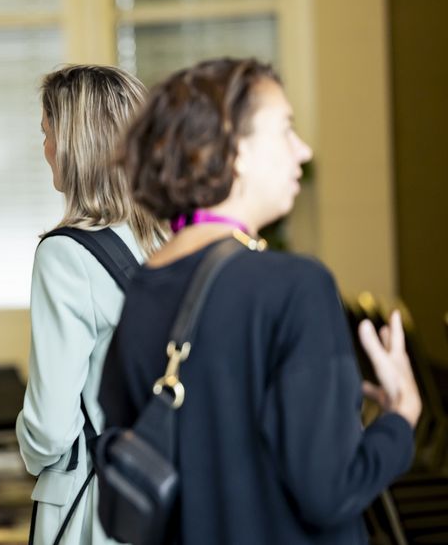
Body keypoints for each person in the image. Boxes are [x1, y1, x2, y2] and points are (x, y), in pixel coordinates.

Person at [100, 57, 420, 544]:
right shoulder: (296, 287)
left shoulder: (144, 287)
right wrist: (400, 418)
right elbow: (330, 491)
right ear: (235, 149)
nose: (303, 150)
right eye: (286, 130)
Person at [16, 65, 167, 545]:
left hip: (102, 500)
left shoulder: (66, 253)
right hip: (175, 489)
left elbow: (50, 428)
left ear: (73, 145)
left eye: (47, 133)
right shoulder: (178, 240)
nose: (44, 148)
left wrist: (29, 447)